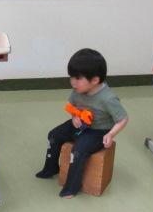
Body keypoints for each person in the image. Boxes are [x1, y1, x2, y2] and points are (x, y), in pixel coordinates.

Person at [35, 49, 129, 198]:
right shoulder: (77, 90)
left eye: (77, 78)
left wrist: (111, 134)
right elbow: (73, 107)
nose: (72, 82)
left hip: (98, 131)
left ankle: (72, 187)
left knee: (78, 151)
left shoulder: (108, 98)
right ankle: (51, 168)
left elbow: (123, 119)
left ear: (95, 80)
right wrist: (74, 117)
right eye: (71, 77)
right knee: (53, 135)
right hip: (80, 124)